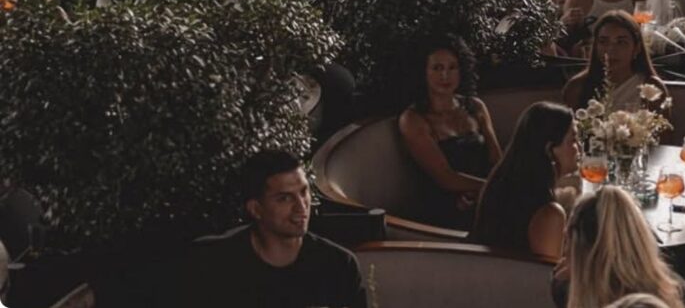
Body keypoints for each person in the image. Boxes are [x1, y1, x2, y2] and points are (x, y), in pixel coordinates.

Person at [179, 150, 367, 308]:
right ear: (256, 209)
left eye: (303, 192)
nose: (301, 207)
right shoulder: (212, 263)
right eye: (284, 198)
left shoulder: (339, 266)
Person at [398, 35, 502, 229]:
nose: (445, 76)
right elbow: (445, 178)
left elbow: (497, 159)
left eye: (452, 67)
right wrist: (491, 189)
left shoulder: (475, 107)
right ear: (423, 72)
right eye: (437, 68)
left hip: (486, 197)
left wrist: (495, 190)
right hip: (443, 206)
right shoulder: (413, 119)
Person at [471, 102, 579, 258]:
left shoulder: (503, 185)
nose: (579, 148)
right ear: (549, 150)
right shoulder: (549, 214)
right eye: (573, 141)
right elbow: (547, 277)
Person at [557, 186, 685, 308]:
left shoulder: (565, 290)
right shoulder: (666, 284)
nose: (564, 251)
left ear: (580, 251)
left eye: (566, 242)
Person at [563, 10, 667, 110]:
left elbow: (662, 126)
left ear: (636, 49)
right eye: (603, 42)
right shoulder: (577, 87)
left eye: (621, 42)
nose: (611, 50)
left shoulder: (651, 89)